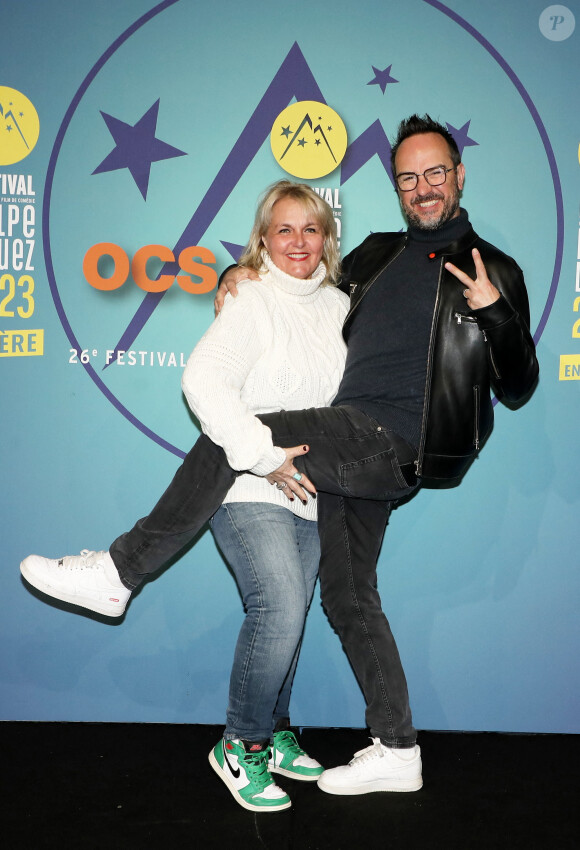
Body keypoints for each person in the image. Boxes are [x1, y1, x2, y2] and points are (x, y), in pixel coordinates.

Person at [21, 114, 539, 797]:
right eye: (409, 177)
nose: (423, 187)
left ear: (459, 174)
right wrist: (242, 272)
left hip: (392, 441)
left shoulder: (494, 268)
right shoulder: (377, 257)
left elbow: (520, 385)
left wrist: (497, 313)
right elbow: (304, 285)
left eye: (435, 172)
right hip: (354, 458)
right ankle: (397, 747)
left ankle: (119, 570)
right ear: (398, 186)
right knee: (351, 599)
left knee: (245, 431)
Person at [21, 181, 350, 813]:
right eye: (283, 230)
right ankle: (241, 745)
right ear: (262, 239)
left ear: (327, 238)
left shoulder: (339, 307)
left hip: (313, 492)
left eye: (311, 229)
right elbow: (203, 381)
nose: (299, 242)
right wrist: (263, 455)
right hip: (248, 484)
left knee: (293, 614)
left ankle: (276, 731)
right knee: (278, 606)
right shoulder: (251, 299)